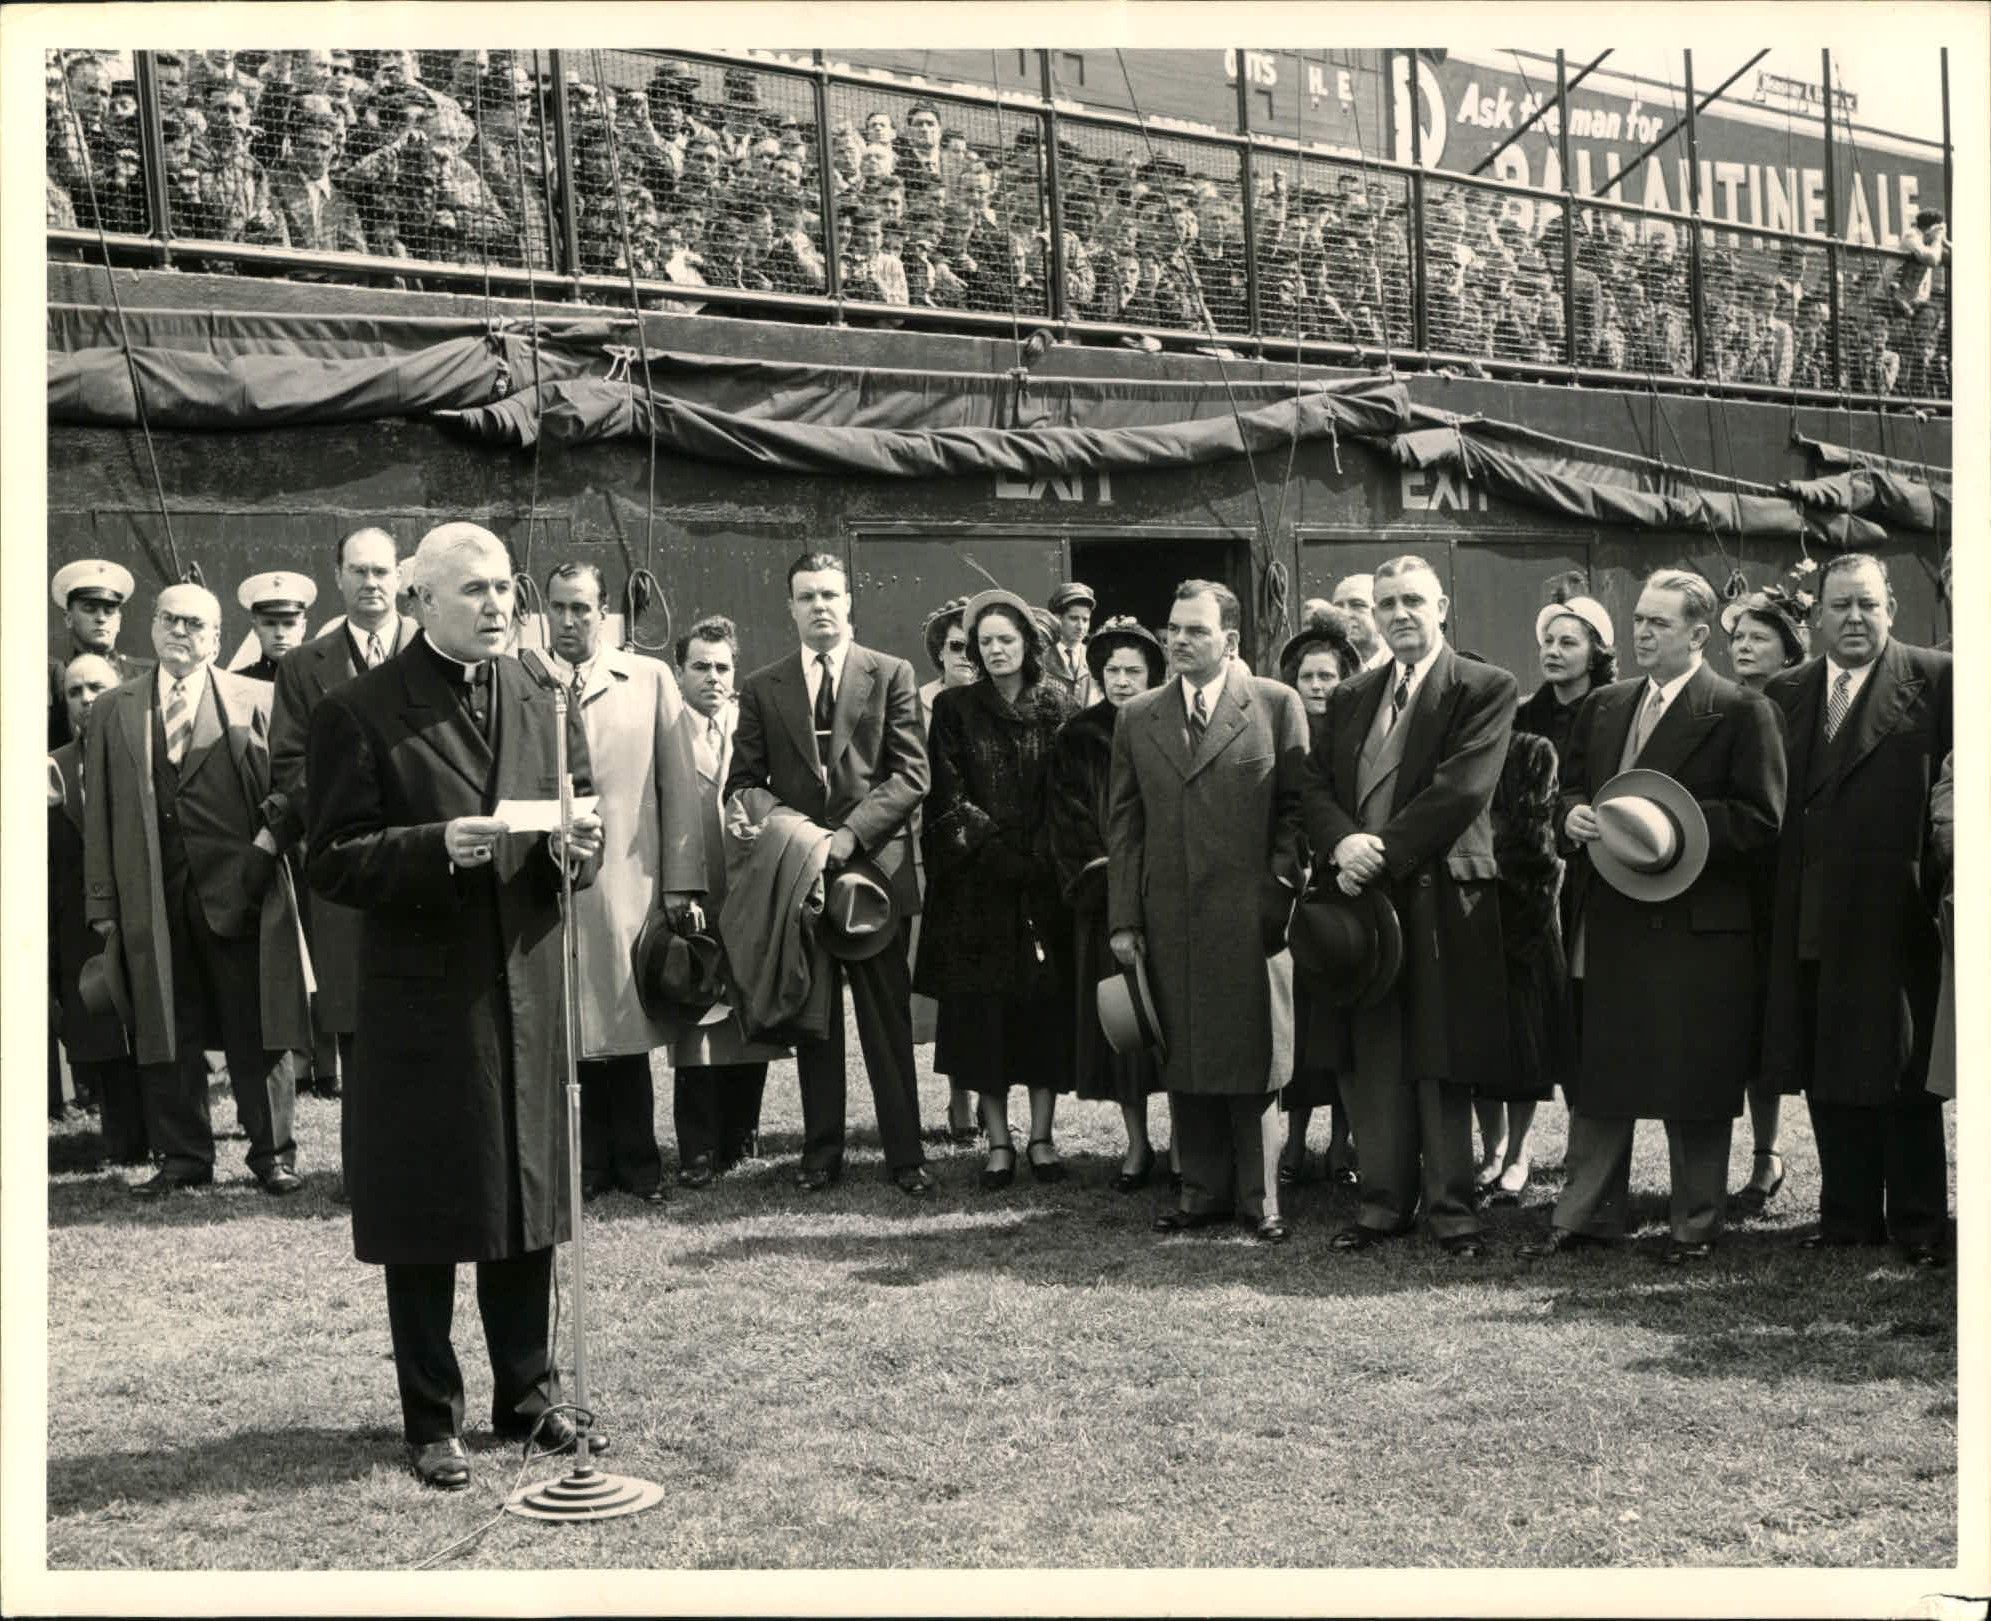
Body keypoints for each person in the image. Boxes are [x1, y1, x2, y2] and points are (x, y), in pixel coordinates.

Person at [307, 522, 607, 1491]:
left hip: (526, 985)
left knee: (523, 1197)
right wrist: (436, 846)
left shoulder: (543, 691)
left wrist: (577, 850)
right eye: (473, 591)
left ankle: (528, 1393)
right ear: (418, 600)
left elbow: (584, 809)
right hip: (424, 1003)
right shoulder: (358, 709)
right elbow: (334, 858)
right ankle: (431, 1417)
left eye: (502, 589)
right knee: (430, 1206)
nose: (496, 606)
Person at [1527, 569, 1786, 1264]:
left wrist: (1663, 827)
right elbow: (1571, 790)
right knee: (1603, 1072)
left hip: (1697, 926)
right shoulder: (1605, 706)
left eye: (1658, 623)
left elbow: (1760, 821)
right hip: (1612, 916)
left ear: (1699, 635)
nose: (1641, 631)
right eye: (1637, 619)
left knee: (1694, 1077)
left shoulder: (1738, 710)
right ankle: (1583, 1215)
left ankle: (1693, 1224)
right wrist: (1572, 816)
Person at [1301, 555, 1516, 1259]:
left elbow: (1459, 791)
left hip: (1439, 896)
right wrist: (1339, 845)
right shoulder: (1352, 694)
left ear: (1442, 606)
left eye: (1412, 600)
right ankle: (1381, 1204)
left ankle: (1453, 1211)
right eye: (1386, 601)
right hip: (1361, 903)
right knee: (1374, 1052)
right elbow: (1311, 787)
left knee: (1440, 1052)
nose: (1397, 613)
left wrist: (1379, 851)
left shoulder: (1483, 687)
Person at [82, 583, 308, 1198]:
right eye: (170, 621)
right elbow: (97, 810)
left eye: (196, 624)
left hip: (242, 891)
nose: (181, 633)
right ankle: (183, 1156)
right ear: (152, 628)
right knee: (164, 1021)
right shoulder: (113, 710)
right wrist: (102, 901)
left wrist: (266, 850)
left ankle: (272, 1155)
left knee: (255, 1023)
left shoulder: (257, 698)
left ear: (216, 636)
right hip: (151, 894)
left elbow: (292, 783)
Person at [1760, 554, 1953, 1266]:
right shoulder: (1784, 690)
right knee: (1825, 1060)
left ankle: (1917, 1220)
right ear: (1814, 614)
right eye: (1838, 605)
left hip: (1896, 912)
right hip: (1808, 908)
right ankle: (1845, 1215)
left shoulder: (1936, 679)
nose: (1853, 618)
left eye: (1867, 605)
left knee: (1901, 1069)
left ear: (1891, 608)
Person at [724, 551, 934, 1197]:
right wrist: (788, 833)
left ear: (850, 603)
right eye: (806, 596)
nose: (820, 606)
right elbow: (743, 781)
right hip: (800, 880)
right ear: (789, 607)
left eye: (830, 594)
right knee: (815, 1019)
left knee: (885, 1022)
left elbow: (910, 775)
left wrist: (846, 836)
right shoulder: (763, 686)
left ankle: (906, 1155)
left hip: (872, 876)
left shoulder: (891, 673)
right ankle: (821, 1154)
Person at [1109, 580, 1309, 1244]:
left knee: (1255, 1062)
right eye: (1172, 628)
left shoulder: (1276, 706)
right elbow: (1124, 825)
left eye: (1195, 630)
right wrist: (1124, 918)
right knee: (1184, 1054)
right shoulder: (1138, 715)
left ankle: (1261, 1201)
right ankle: (1199, 1193)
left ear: (1229, 641)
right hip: (1168, 916)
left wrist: (1277, 891)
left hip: (1250, 918)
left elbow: (1293, 812)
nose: (1178, 640)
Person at [541, 562, 705, 1203]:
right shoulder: (526, 677)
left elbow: (679, 785)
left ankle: (638, 1164)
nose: (570, 621)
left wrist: (681, 883)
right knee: (570, 1029)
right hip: (553, 882)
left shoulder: (648, 678)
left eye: (583, 608)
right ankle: (582, 1166)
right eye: (558, 608)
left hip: (630, 883)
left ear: (605, 612)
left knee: (625, 1025)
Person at [918, 591, 1080, 1188]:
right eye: (984, 641)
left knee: (1041, 1014)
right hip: (978, 886)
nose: (995, 649)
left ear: (1028, 643)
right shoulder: (955, 709)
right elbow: (947, 794)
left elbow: (1070, 788)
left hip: (1043, 885)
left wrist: (1040, 855)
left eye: (1005, 638)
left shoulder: (1058, 705)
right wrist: (995, 852)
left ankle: (1041, 1137)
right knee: (983, 1019)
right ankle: (998, 1141)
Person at [270, 529, 420, 1103]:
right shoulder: (305, 666)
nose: (371, 583)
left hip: (419, 857)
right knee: (357, 1015)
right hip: (347, 865)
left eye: (381, 571)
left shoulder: (430, 650)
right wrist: (347, 824)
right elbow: (287, 761)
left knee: (424, 1011)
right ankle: (363, 1169)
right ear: (338, 577)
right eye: (358, 571)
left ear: (400, 577)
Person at [1487, 586, 1616, 1196]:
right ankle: (1517, 1150)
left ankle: (1583, 1150)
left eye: (1569, 641)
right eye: (1549, 641)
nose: (1555, 651)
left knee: (1585, 1023)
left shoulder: (1616, 709)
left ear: (1597, 651)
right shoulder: (1522, 717)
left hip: (1595, 883)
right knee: (1529, 1019)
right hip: (1534, 891)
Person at [1047, 616, 1170, 1191]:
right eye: (1112, 671)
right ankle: (1138, 1144)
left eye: (1134, 671)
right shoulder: (1077, 737)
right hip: (1108, 902)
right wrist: (1112, 884)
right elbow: (1068, 824)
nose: (1121, 681)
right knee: (1127, 1027)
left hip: (1173, 896)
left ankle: (1190, 1141)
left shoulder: (1172, 725)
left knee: (1179, 1027)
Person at [671, 617, 787, 1185]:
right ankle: (696, 1148)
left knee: (747, 1017)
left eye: (722, 667)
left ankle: (742, 1138)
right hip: (692, 891)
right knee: (696, 1019)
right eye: (700, 667)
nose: (712, 678)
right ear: (680, 671)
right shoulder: (666, 731)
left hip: (746, 889)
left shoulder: (751, 725)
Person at [1719, 585, 1811, 1216]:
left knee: (1786, 1016)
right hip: (1733, 881)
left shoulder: (1802, 703)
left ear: (1788, 648)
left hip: (1790, 877)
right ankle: (1759, 1153)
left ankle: (1772, 1151)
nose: (1744, 648)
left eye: (1759, 637)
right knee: (1744, 1020)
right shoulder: (1726, 706)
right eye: (1738, 638)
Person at [1273, 606, 1363, 1192]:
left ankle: (1343, 1141)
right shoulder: (1281, 737)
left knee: (1345, 1024)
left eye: (1328, 676)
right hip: (1293, 899)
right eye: (1308, 677)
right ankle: (1295, 1138)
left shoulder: (1357, 737)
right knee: (1301, 1028)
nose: (1318, 687)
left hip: (1348, 894)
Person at [49, 654, 148, 1157]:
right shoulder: (52, 770)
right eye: (75, 690)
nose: (88, 699)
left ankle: (169, 1131)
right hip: (81, 922)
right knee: (100, 1024)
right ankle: (124, 1134)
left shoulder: (144, 754)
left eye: (98, 687)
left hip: (144, 912)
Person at [913, 597, 980, 1142]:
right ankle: (959, 1096)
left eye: (974, 646)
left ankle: (987, 1094)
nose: (966, 656)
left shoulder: (992, 703)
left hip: (984, 855)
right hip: (930, 858)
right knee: (947, 988)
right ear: (940, 652)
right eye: (956, 646)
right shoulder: (918, 705)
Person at [49, 559, 150, 748]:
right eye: (90, 609)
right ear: (68, 618)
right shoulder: (52, 677)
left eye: (109, 610)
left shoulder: (147, 676)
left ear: (119, 620)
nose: (101, 618)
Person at [233, 572, 317, 683]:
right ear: (256, 628)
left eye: (289, 624)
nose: (279, 633)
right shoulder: (236, 682)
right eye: (270, 623)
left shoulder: (321, 681)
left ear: (303, 627)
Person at [1042, 582, 1099, 709]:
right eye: (1073, 618)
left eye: (1085, 620)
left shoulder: (1095, 657)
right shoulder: (1042, 659)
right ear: (1057, 618)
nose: (1080, 626)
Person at [1330, 573, 1391, 670]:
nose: (1345, 614)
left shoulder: (1402, 667)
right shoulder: (1327, 671)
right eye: (1338, 607)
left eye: (1357, 605)